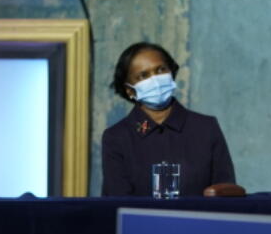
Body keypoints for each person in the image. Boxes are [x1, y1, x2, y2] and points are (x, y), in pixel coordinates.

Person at [101, 42, 236, 197]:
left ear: (171, 72)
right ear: (130, 90)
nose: (155, 80)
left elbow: (226, 192)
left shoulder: (206, 128)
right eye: (143, 75)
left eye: (161, 70)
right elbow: (116, 201)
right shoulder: (117, 138)